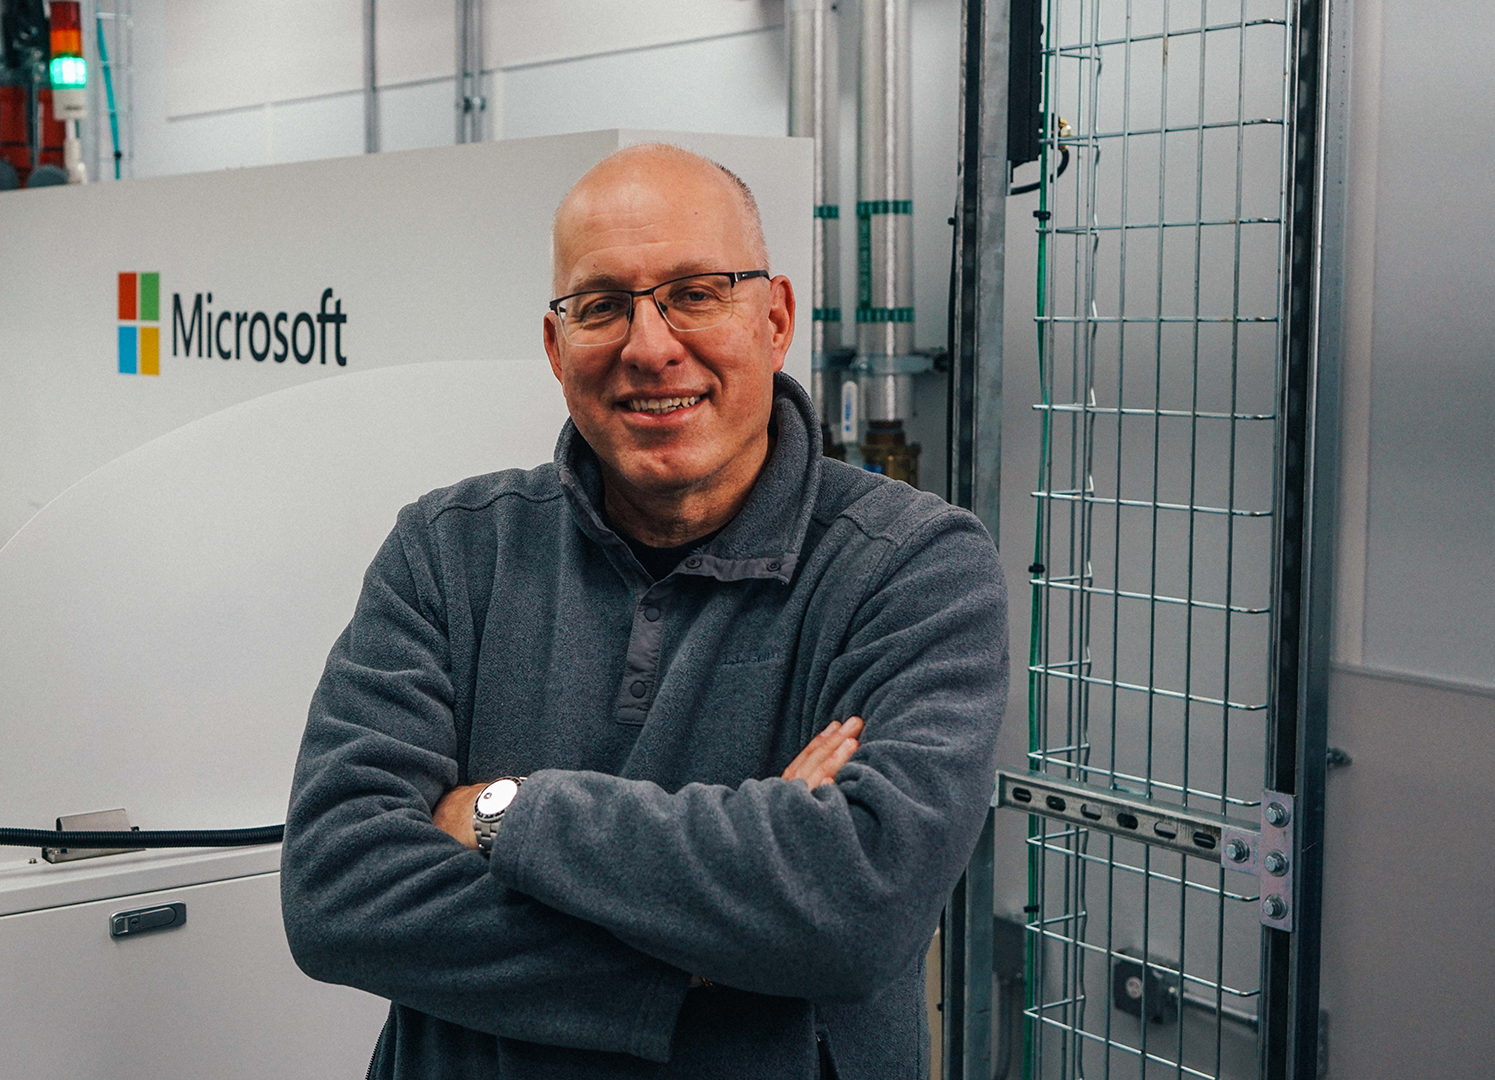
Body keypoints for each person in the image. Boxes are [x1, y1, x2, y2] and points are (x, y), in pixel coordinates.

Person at [281, 143, 1008, 1079]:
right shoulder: (449, 551)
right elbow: (337, 889)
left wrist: (507, 814)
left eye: (696, 293)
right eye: (602, 306)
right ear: (556, 347)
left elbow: (858, 904)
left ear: (776, 318)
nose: (650, 345)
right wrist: (707, 956)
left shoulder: (912, 567)